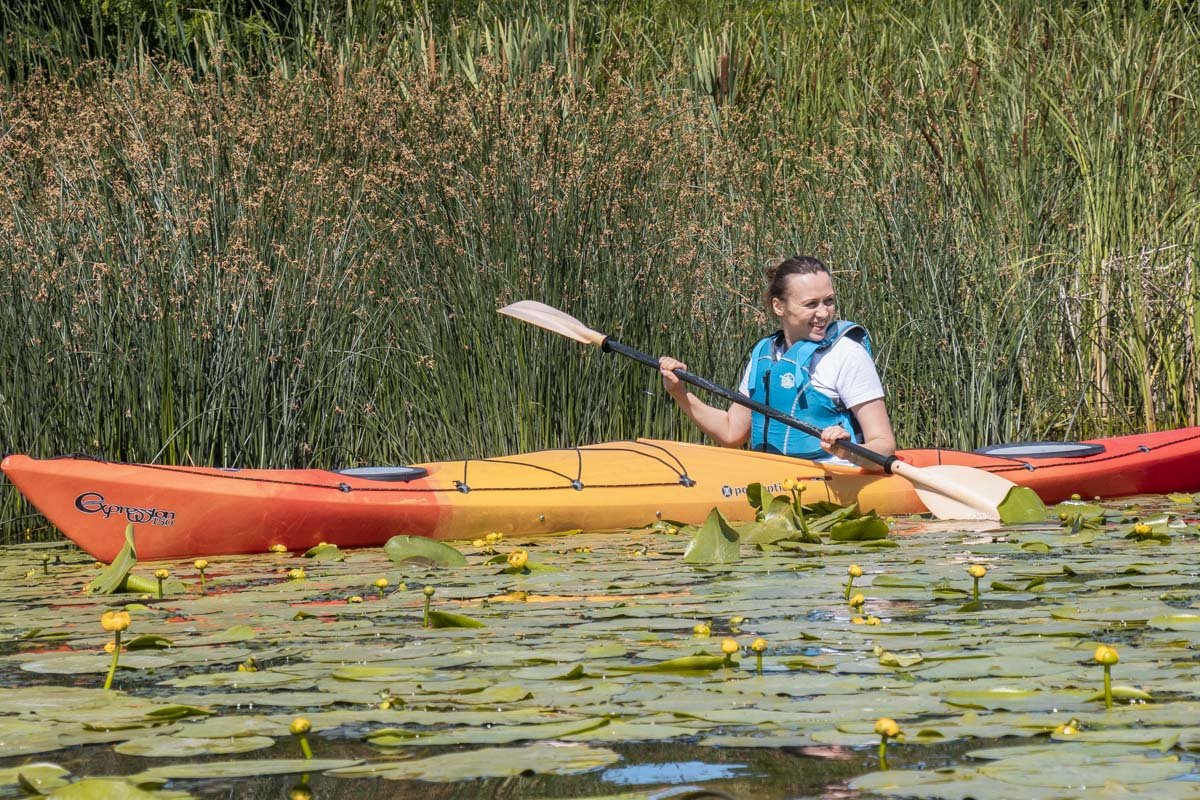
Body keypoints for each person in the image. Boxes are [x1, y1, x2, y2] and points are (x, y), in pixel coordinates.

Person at [658, 255, 896, 470]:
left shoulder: (847, 354)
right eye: (811, 304)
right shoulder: (764, 353)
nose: (823, 313)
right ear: (778, 306)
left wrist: (847, 451)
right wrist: (679, 392)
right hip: (770, 476)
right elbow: (731, 433)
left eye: (829, 301)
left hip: (832, 475)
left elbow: (884, 446)